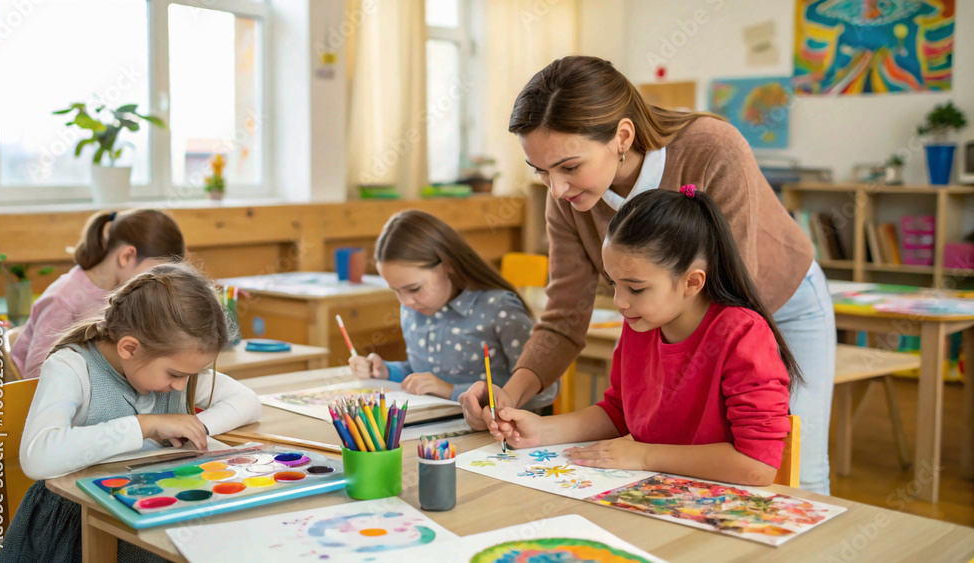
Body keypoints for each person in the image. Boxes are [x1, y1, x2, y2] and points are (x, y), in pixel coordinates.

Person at [459, 55, 835, 494]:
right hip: (666, 316)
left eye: (569, 167)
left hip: (773, 299)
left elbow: (732, 301)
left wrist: (648, 446)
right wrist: (511, 393)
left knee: (799, 471)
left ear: (622, 136)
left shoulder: (714, 149)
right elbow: (565, 315)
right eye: (541, 171)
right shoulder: (636, 298)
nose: (556, 189)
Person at [492, 187, 797, 486]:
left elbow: (758, 465)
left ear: (692, 282)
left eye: (635, 288)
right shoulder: (641, 322)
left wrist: (645, 456)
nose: (619, 302)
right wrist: (542, 430)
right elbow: (619, 413)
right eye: (613, 283)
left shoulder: (742, 334)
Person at [0, 263, 261, 563]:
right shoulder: (72, 366)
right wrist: (145, 426)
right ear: (129, 348)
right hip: (78, 529)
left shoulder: (173, 368)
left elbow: (247, 401)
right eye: (175, 374)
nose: (182, 386)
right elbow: (37, 457)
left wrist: (193, 425)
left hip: (153, 509)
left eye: (192, 374)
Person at [349, 210, 558, 408]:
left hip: (497, 438)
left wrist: (451, 390)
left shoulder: (499, 309)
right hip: (433, 434)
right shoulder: (414, 310)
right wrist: (386, 371)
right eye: (396, 290)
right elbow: (423, 373)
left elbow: (545, 392)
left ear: (448, 264)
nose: (405, 302)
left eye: (413, 288)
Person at [12, 209, 186, 379]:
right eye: (156, 273)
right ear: (127, 256)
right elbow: (36, 375)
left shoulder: (126, 293)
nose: (157, 284)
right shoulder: (62, 299)